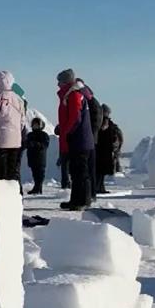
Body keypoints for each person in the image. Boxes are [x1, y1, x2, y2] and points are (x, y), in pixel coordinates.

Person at [56, 68, 94, 210]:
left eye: (59, 81)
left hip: (78, 140)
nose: (58, 85)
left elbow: (75, 117)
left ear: (65, 81)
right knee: (77, 171)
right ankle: (77, 199)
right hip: (80, 139)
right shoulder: (72, 94)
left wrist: (67, 132)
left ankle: (82, 201)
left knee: (79, 172)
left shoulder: (73, 95)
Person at [75, 78, 104, 197]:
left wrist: (88, 134)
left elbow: (95, 122)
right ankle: (91, 193)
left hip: (89, 140)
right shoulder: (91, 102)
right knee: (89, 170)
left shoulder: (91, 102)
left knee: (88, 170)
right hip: (90, 140)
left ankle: (90, 194)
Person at [95, 103, 123, 194]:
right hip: (105, 151)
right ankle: (99, 187)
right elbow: (118, 139)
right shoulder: (109, 124)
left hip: (100, 150)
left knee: (99, 171)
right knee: (101, 172)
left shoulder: (99, 122)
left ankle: (99, 187)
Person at [25, 117, 51, 194]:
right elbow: (26, 143)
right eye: (34, 125)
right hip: (32, 158)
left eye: (37, 125)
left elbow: (45, 144)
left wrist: (36, 144)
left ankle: (38, 188)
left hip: (40, 158)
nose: (35, 126)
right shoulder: (30, 135)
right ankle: (37, 187)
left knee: (40, 174)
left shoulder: (44, 135)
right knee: (35, 174)